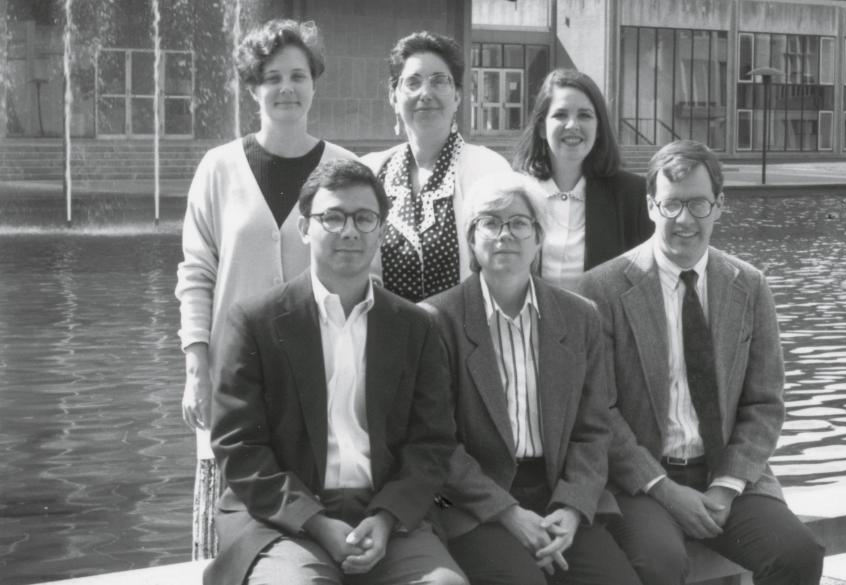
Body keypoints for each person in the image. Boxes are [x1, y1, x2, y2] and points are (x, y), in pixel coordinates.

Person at [203, 159, 466, 585]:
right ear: (305, 228)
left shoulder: (415, 326)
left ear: (381, 230)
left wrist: (384, 520)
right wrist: (318, 523)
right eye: (332, 217)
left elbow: (432, 443)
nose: (349, 231)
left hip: (388, 512)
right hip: (281, 516)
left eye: (364, 218)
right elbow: (239, 447)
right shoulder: (254, 322)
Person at [577, 140, 825, 585]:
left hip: (728, 477)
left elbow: (765, 404)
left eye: (698, 204)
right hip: (643, 484)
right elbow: (600, 412)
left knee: (798, 554)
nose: (685, 220)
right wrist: (665, 491)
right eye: (671, 205)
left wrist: (726, 487)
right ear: (651, 206)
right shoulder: (602, 290)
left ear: (720, 206)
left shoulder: (750, 286)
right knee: (659, 566)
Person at [174, 19, 356, 557]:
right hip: (235, 372)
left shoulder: (343, 168)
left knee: (314, 506)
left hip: (321, 372)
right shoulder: (218, 168)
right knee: (229, 505)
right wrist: (195, 368)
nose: (286, 88)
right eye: (272, 76)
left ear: (314, 83)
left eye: (298, 75)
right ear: (252, 86)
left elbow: (362, 273)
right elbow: (196, 272)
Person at [421, 172, 641, 585]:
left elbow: (593, 430)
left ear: (539, 238)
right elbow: (437, 442)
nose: (505, 234)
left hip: (558, 492)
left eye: (519, 223)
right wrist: (507, 513)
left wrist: (572, 509)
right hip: (474, 503)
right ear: (471, 239)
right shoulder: (437, 321)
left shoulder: (579, 317)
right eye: (490, 222)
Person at [362, 31, 510, 303]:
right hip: (390, 337)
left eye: (439, 81)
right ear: (393, 96)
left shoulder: (490, 171)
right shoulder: (371, 172)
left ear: (457, 96)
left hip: (464, 338)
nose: (425, 93)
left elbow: (506, 268)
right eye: (413, 82)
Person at [512, 68, 652, 292]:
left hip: (603, 325)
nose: (572, 125)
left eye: (584, 115)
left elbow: (648, 283)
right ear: (541, 127)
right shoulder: (515, 193)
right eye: (560, 115)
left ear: (598, 129)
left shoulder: (632, 195)